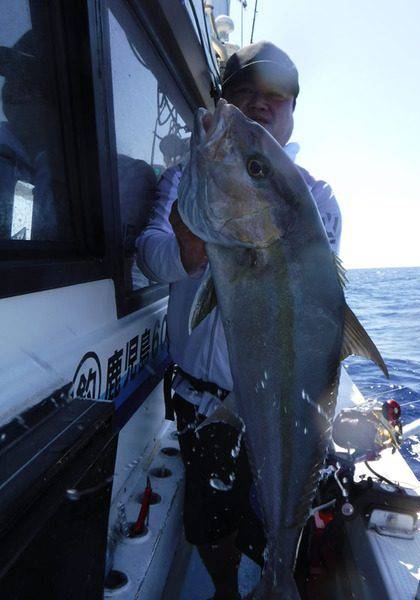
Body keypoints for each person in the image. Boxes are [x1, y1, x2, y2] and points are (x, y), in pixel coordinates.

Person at [137, 41, 342, 600]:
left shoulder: (317, 199)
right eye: (242, 93)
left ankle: (276, 578)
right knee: (211, 518)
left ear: (294, 112)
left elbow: (318, 305)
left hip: (282, 399)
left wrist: (233, 219)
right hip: (204, 399)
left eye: (274, 97)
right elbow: (150, 254)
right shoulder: (184, 183)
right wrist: (196, 247)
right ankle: (228, 592)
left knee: (275, 515)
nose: (256, 105)